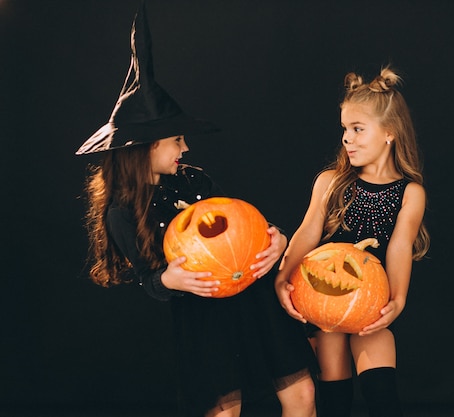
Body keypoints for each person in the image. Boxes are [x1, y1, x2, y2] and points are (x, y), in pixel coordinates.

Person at [77, 3, 317, 417]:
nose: (185, 148)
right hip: (204, 318)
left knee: (301, 395)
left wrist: (274, 239)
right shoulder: (122, 212)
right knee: (223, 411)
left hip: (254, 298)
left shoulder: (195, 180)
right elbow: (148, 278)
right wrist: (168, 279)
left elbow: (238, 226)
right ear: (147, 147)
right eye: (177, 141)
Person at [275, 67, 430, 417]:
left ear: (389, 132)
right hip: (322, 297)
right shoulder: (331, 181)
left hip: (371, 303)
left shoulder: (410, 193)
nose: (347, 138)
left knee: (380, 389)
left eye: (358, 129)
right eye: (345, 129)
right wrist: (283, 278)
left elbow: (400, 246)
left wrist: (399, 299)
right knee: (332, 384)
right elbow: (307, 232)